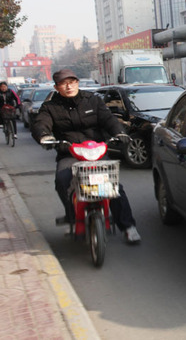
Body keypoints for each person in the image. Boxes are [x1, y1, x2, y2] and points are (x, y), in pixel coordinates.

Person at [31, 69, 141, 244]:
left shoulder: (93, 100)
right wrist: (45, 136)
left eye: (72, 82)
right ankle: (73, 215)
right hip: (70, 153)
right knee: (62, 180)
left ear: (77, 82)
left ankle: (128, 226)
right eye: (63, 83)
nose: (69, 86)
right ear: (56, 87)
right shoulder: (50, 107)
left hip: (95, 151)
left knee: (113, 187)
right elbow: (41, 123)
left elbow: (109, 120)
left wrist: (119, 133)